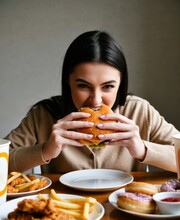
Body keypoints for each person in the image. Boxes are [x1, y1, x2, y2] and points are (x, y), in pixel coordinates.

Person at [5, 30, 179, 174]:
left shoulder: (140, 111)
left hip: (125, 210)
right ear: (68, 81)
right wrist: (45, 150)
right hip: (65, 210)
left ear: (121, 84)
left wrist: (142, 149)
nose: (96, 100)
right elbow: (2, 161)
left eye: (108, 87)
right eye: (83, 86)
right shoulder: (43, 114)